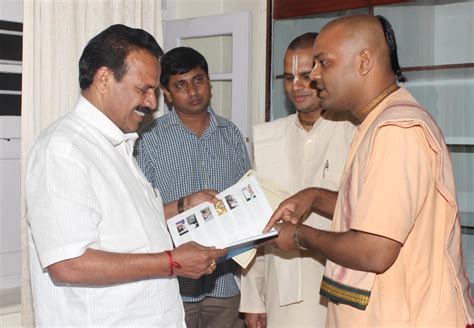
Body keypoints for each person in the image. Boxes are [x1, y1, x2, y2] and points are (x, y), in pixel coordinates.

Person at [265, 15, 474, 327]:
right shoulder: (379, 122)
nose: (315, 76)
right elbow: (378, 212)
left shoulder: (396, 129)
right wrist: (314, 197)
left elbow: (375, 249)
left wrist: (298, 235)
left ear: (364, 62)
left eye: (323, 62)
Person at [25, 24, 226, 327]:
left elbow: (125, 228)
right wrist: (173, 263)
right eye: (143, 89)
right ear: (104, 79)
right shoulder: (63, 149)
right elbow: (68, 263)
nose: (152, 103)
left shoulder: (117, 143)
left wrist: (184, 205)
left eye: (155, 91)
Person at [240, 32, 355, 328]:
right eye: (288, 77)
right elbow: (259, 222)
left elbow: (370, 209)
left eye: (306, 75)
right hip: (285, 286)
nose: (296, 86)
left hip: (347, 278)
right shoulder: (268, 137)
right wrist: (255, 298)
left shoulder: (355, 131)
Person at [135, 46, 251, 328]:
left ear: (209, 81)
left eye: (198, 80)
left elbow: (247, 200)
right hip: (172, 283)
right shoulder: (148, 139)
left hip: (224, 281)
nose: (193, 91)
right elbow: (140, 212)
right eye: (181, 85)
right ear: (167, 93)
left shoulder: (231, 134)